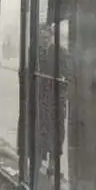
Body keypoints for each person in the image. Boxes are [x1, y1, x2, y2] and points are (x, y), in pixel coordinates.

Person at [36, 25, 72, 177]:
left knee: (56, 131)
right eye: (41, 38)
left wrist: (62, 88)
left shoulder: (61, 53)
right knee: (42, 129)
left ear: (51, 37)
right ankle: (39, 162)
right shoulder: (36, 53)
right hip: (41, 99)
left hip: (56, 99)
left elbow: (69, 74)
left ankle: (52, 163)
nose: (44, 41)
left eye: (46, 38)